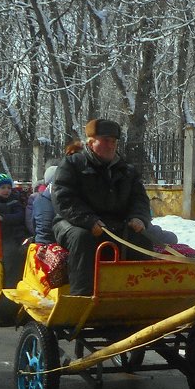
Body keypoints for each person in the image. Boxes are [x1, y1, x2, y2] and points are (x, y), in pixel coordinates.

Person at [52, 119, 154, 295]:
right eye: (106, 140)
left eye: (114, 141)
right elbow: (63, 198)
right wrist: (89, 220)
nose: (111, 145)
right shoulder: (72, 164)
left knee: (142, 240)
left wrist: (138, 217)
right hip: (73, 223)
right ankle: (82, 297)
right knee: (82, 238)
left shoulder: (126, 169)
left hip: (114, 224)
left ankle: (139, 295)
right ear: (91, 143)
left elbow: (140, 199)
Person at [26, 164, 59, 245]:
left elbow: (33, 223)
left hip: (39, 242)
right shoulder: (59, 197)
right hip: (52, 243)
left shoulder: (38, 199)